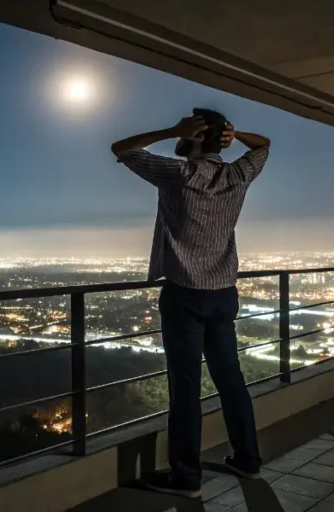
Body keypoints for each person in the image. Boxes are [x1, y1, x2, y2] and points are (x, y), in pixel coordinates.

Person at [111, 109, 271, 498]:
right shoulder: (238, 174)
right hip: (223, 294)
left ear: (196, 136)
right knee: (230, 378)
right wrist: (236, 134)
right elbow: (264, 145)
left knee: (185, 388)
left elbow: (121, 149)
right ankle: (248, 460)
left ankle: (186, 477)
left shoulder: (177, 174)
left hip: (184, 295)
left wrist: (170, 129)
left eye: (189, 128)